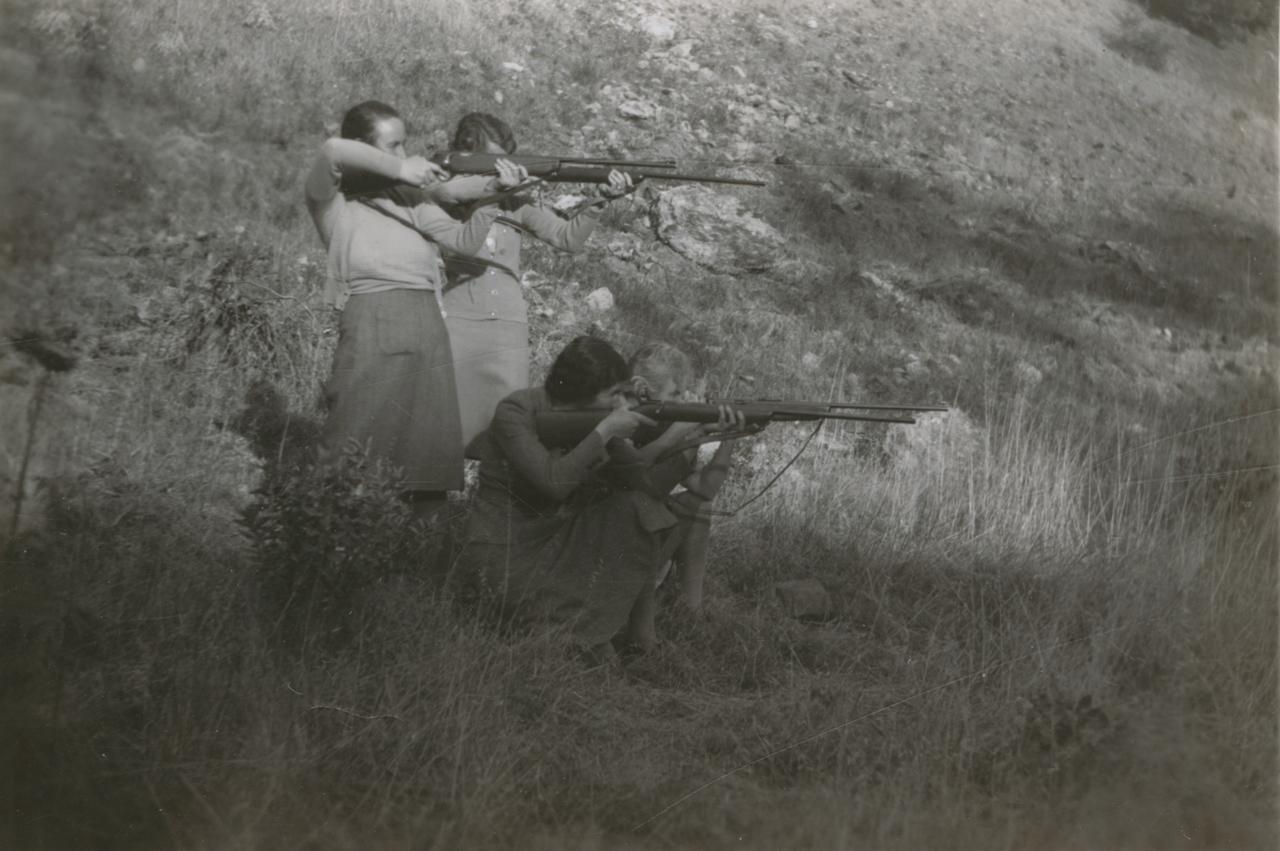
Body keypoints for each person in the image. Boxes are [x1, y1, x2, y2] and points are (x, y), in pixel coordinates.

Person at [303, 100, 527, 521]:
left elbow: (462, 241)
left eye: (405, 148)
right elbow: (332, 151)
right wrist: (403, 170)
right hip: (374, 317)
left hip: (428, 321)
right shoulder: (331, 199)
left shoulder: (408, 200)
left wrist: (497, 194)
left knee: (428, 454)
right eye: (395, 146)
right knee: (352, 432)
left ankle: (419, 560)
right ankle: (326, 530)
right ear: (364, 148)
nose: (405, 157)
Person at [455, 335, 733, 664]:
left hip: (552, 549)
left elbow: (644, 484)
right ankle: (575, 630)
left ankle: (637, 638)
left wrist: (695, 439)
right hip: (504, 560)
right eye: (613, 394)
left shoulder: (600, 418)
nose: (621, 403)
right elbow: (553, 482)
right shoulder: (516, 411)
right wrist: (605, 432)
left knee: (637, 506)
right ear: (583, 392)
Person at [431, 112, 636, 450]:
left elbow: (568, 239)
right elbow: (443, 191)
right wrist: (494, 186)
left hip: (508, 327)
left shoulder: (516, 203)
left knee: (508, 435)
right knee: (444, 436)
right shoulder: (444, 193)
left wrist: (601, 200)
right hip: (459, 322)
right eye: (493, 161)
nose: (503, 169)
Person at [621, 343, 745, 648]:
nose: (682, 401)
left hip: (636, 550)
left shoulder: (660, 431)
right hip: (613, 550)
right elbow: (637, 481)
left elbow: (705, 489)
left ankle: (692, 612)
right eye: (675, 394)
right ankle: (640, 638)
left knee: (694, 506)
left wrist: (727, 438)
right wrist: (682, 435)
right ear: (641, 390)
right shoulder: (619, 422)